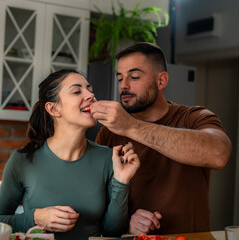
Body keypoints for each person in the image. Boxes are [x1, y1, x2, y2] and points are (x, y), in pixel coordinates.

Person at [91, 42, 232, 235]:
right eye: (120, 78)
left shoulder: (194, 118)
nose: (124, 85)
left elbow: (218, 154)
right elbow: (99, 205)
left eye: (134, 77)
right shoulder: (108, 133)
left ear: (161, 81)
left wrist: (131, 127)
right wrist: (126, 223)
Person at [0, 69, 140, 240]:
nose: (90, 95)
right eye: (77, 91)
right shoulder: (23, 160)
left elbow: (111, 232)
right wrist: (35, 217)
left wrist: (122, 181)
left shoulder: (108, 158)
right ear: (54, 109)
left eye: (89, 89)